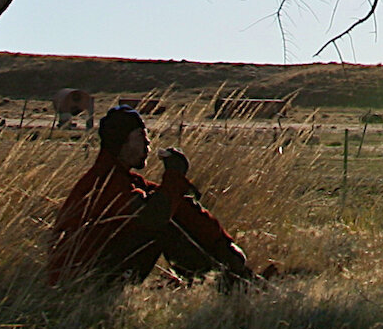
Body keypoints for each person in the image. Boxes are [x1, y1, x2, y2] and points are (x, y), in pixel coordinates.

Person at [47, 105, 255, 286]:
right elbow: (154, 217)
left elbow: (179, 205)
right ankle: (222, 282)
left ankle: (231, 276)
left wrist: (222, 242)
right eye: (140, 136)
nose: (148, 143)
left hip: (98, 270)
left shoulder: (126, 179)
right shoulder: (105, 182)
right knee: (161, 225)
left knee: (168, 207)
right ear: (121, 142)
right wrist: (174, 175)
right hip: (80, 280)